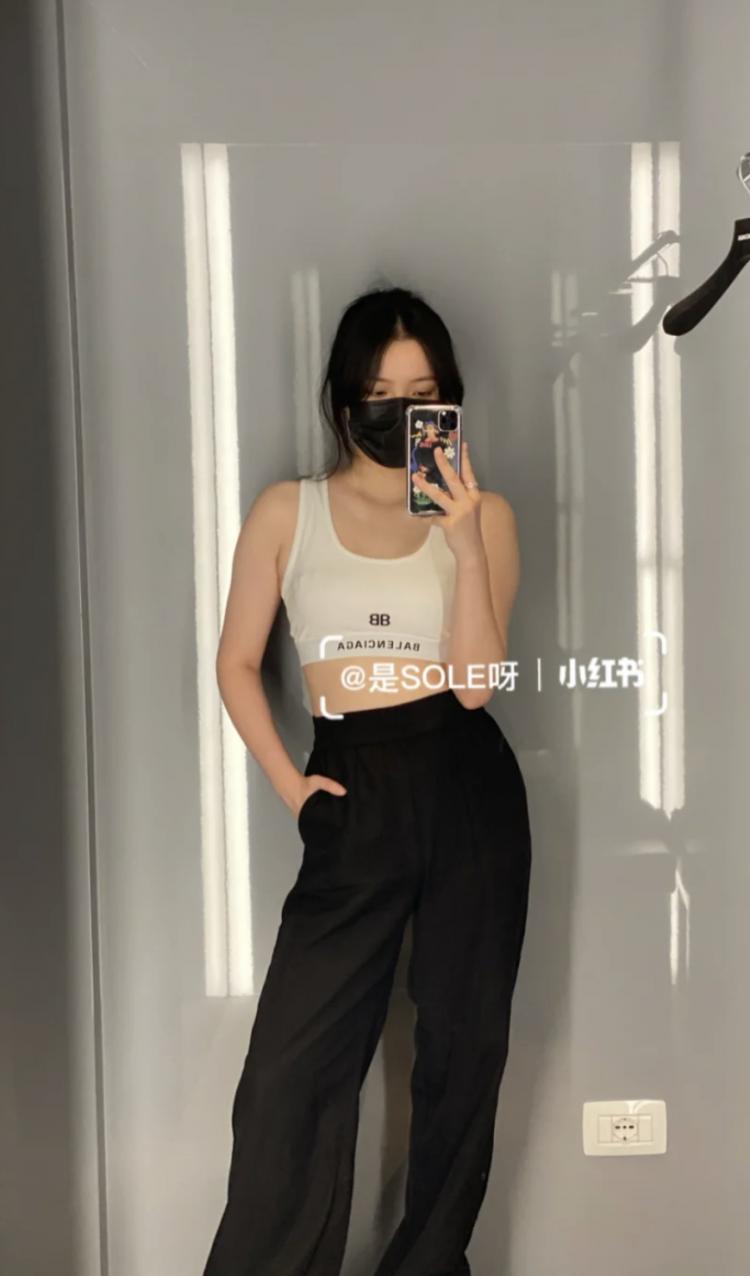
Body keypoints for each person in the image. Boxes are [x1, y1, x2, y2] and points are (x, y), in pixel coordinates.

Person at [202, 285, 532, 1276]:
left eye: (423, 393)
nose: (401, 411)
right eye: (382, 394)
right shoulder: (288, 509)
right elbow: (235, 662)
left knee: (463, 1050)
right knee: (289, 1072)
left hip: (465, 779)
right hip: (350, 780)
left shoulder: (487, 515)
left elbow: (476, 685)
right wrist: (291, 786)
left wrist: (462, 540)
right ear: (346, 400)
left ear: (451, 398)